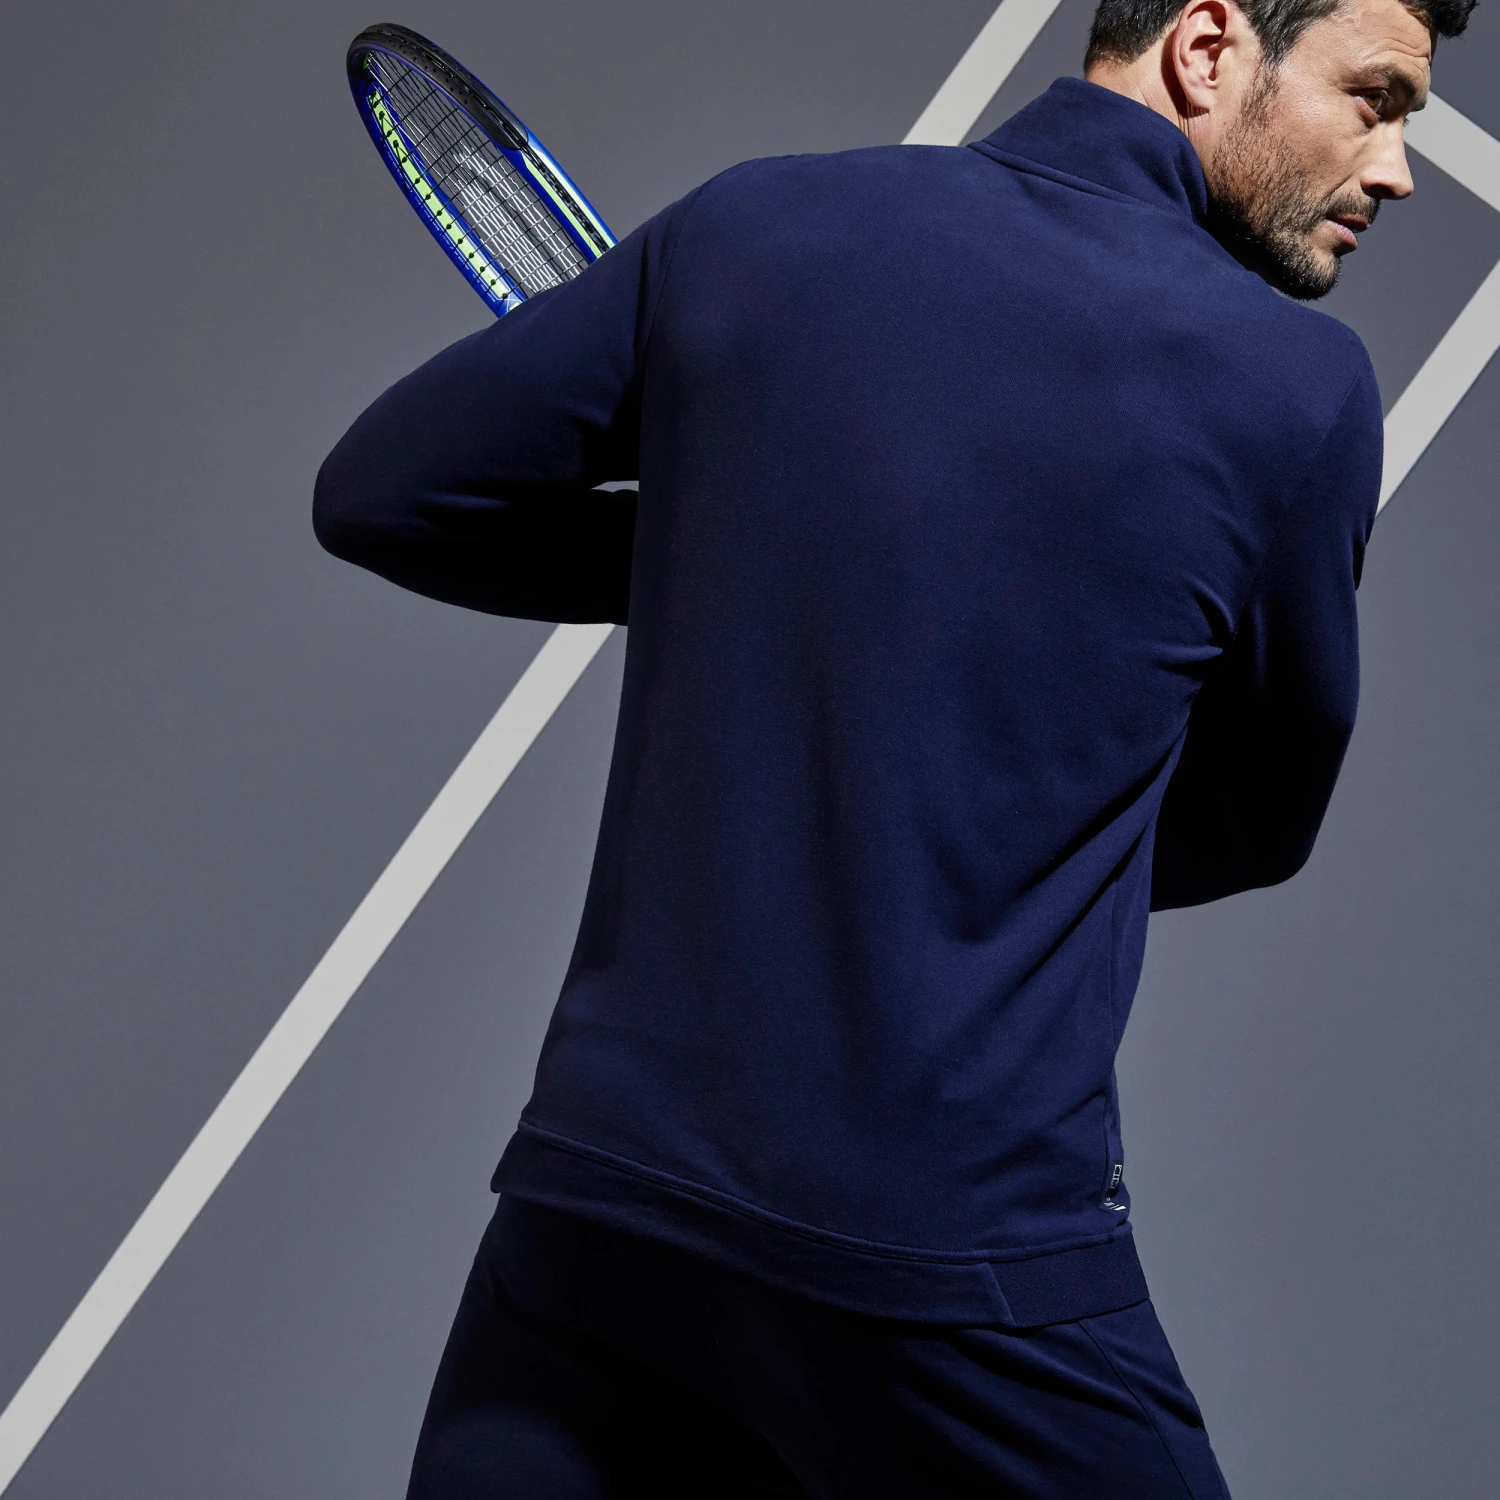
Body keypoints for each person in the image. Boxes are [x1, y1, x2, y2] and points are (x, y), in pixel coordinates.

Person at [314, 0, 1472, 1492]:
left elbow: (386, 493)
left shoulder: (758, 222)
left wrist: (735, 529)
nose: (1394, 167)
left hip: (603, 1214)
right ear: (1206, 47)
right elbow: (1256, 819)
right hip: (947, 1262)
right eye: (1374, 98)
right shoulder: (1297, 395)